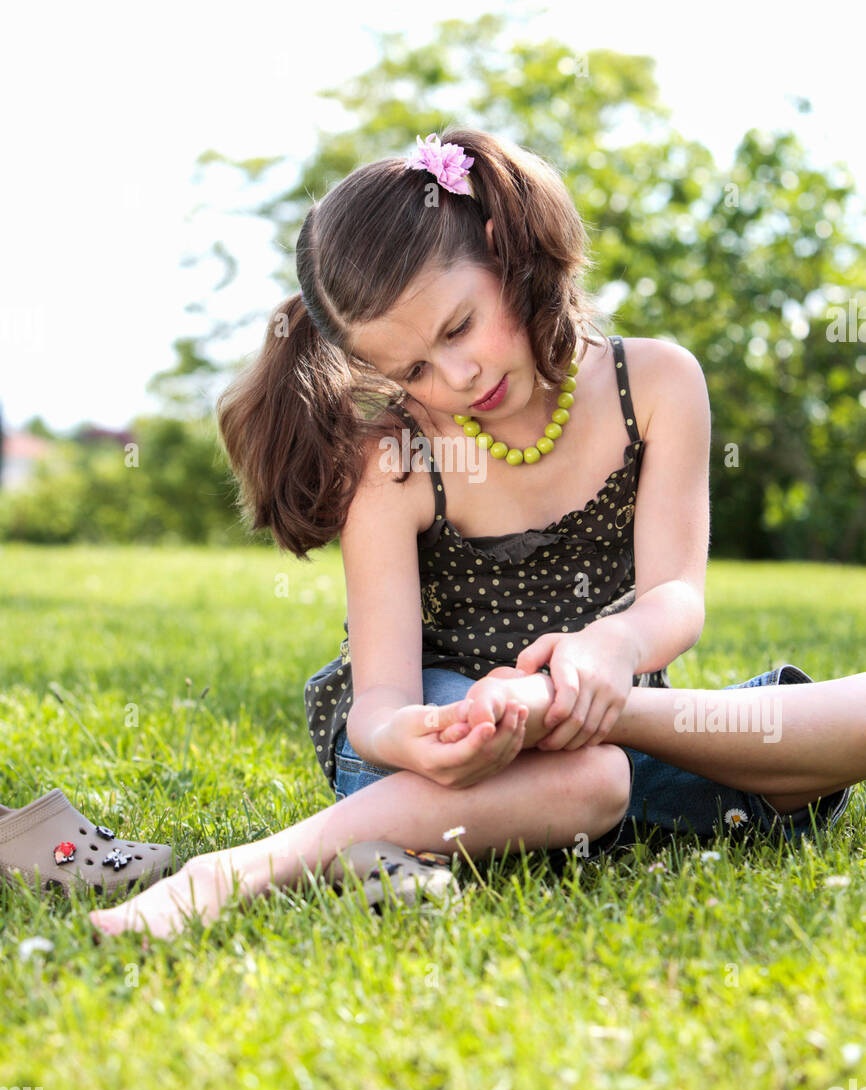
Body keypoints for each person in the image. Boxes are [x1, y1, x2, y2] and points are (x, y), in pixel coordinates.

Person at [89, 127, 864, 940]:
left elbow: (675, 595)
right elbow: (380, 696)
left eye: (458, 328)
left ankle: (406, 850)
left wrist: (606, 653)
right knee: (593, 782)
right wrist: (407, 736)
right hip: (441, 740)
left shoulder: (659, 384)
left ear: (506, 248)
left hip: (610, 705)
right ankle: (235, 873)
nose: (455, 378)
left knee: (694, 746)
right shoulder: (397, 457)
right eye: (413, 369)